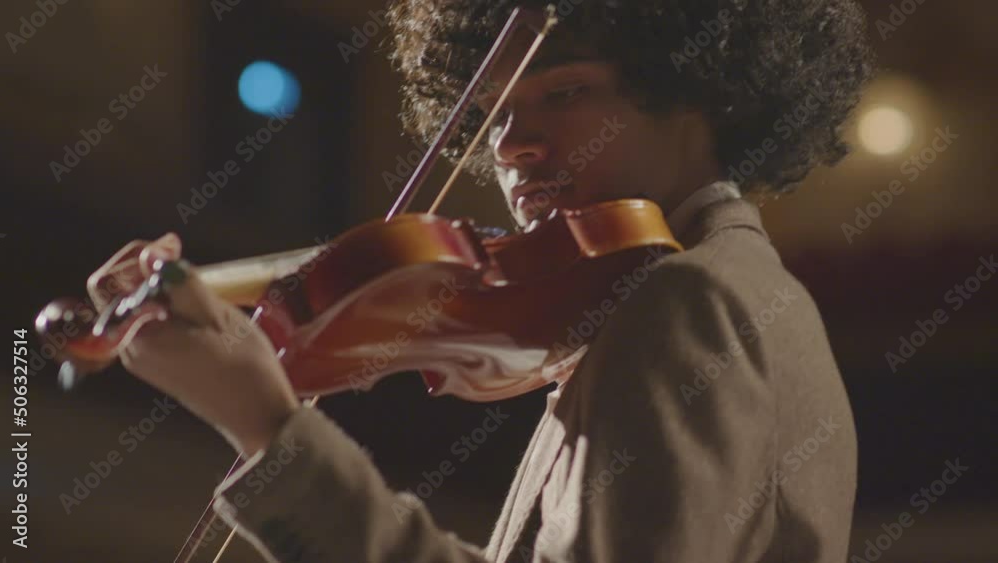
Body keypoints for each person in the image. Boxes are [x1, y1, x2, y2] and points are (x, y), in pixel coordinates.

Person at [84, 0, 875, 561]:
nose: (510, 145)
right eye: (492, 114)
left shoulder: (690, 301)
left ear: (698, 88)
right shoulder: (710, 294)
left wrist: (266, 421)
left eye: (564, 93)